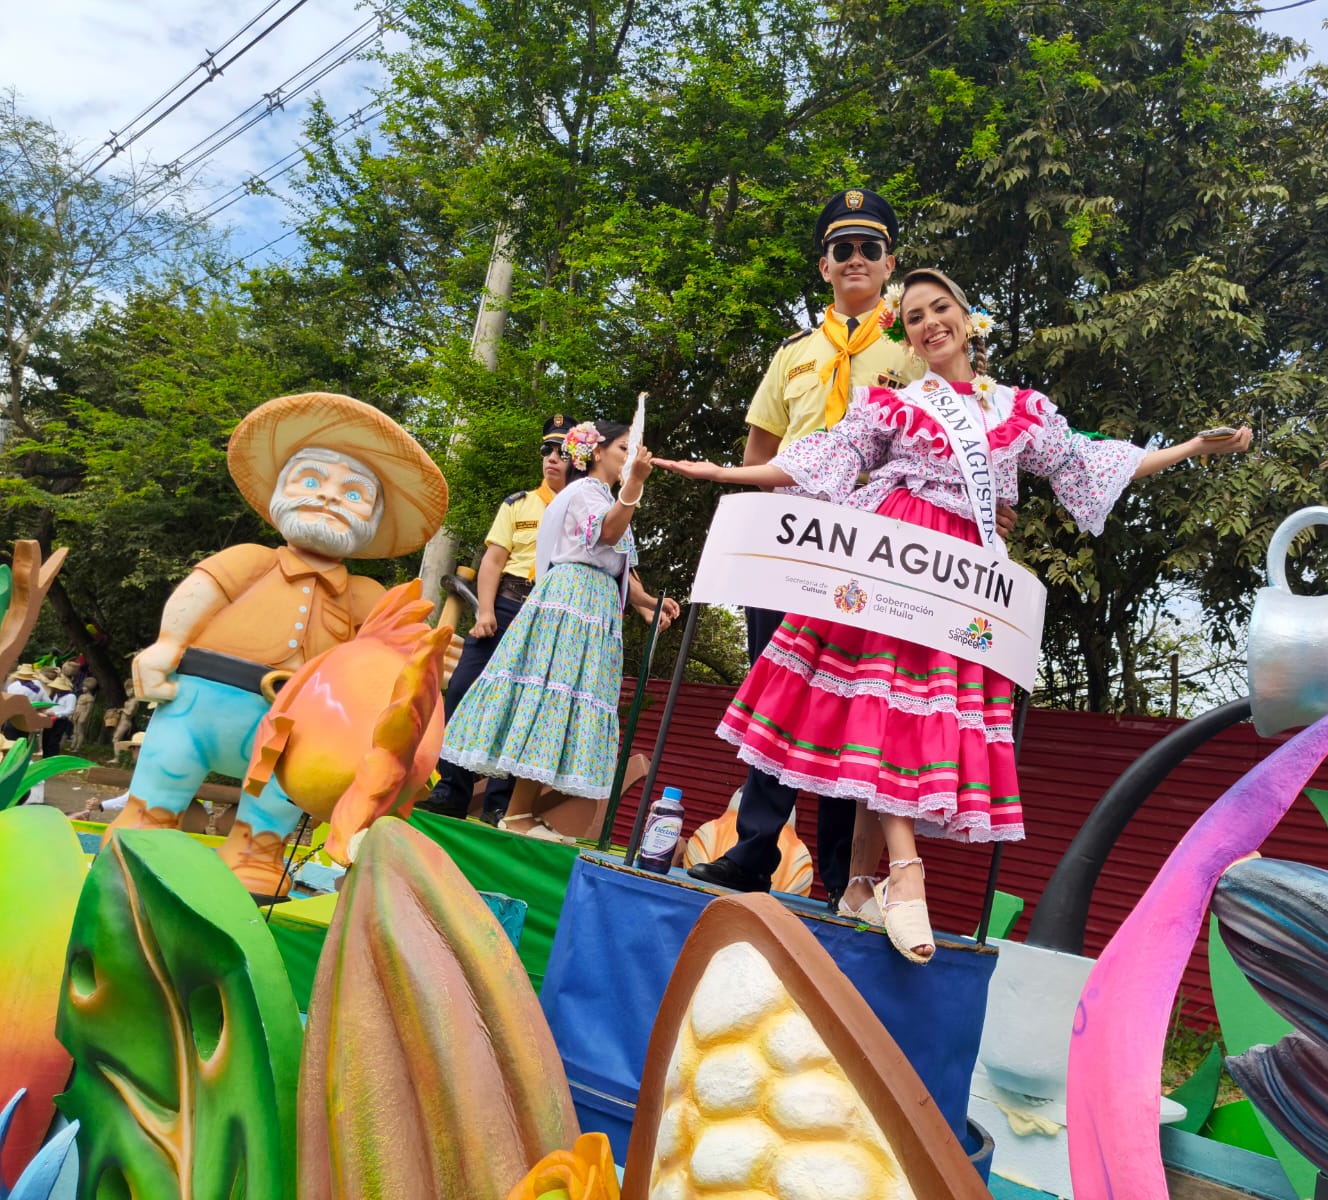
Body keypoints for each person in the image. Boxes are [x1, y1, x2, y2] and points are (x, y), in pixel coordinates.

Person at [660, 267, 1252, 962]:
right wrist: (724, 475)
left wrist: (1190, 449)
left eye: (940, 309)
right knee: (884, 705)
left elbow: (1084, 463)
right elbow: (820, 458)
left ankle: (858, 884)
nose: (929, 323)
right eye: (914, 317)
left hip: (963, 576)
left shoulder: (1020, 410)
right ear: (907, 337)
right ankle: (906, 874)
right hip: (894, 560)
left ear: (970, 321)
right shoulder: (894, 405)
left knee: (911, 714)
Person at [687, 187, 1017, 912]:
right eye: (843, 249)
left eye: (871, 248)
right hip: (792, 542)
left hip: (878, 550)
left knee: (852, 696)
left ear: (890, 264)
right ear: (825, 266)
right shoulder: (793, 354)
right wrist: (746, 529)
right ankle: (752, 850)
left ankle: (843, 873)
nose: (856, 259)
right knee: (781, 688)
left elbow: (965, 440)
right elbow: (761, 447)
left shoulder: (915, 347)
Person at [103, 391, 450, 894]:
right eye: (311, 481)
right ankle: (143, 836)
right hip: (202, 702)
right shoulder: (250, 559)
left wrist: (423, 662)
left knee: (277, 800)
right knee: (168, 769)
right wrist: (168, 644)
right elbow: (198, 595)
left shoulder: (365, 595)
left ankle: (258, 855)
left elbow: (386, 654)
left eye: (354, 493)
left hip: (298, 728)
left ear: (373, 519)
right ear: (280, 491)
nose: (329, 497)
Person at [439, 421, 677, 804]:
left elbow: (615, 565)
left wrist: (648, 603)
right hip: (561, 600)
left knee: (557, 696)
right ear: (596, 451)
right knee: (547, 693)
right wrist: (634, 484)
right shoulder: (581, 493)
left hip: (588, 602)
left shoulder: (602, 497)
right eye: (623, 448)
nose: (630, 456)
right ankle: (487, 802)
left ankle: (512, 808)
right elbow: (605, 535)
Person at [420, 413, 577, 824]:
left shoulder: (584, 511)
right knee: (463, 690)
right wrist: (485, 610)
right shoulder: (517, 504)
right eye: (547, 450)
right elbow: (493, 560)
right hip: (505, 606)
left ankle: (499, 805)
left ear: (578, 459)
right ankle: (450, 790)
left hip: (547, 616)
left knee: (522, 707)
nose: (552, 458)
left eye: (562, 452)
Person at [39, 672, 75, 757]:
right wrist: (47, 712)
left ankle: (52, 758)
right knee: (45, 739)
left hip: (60, 721)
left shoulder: (71, 696)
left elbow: (70, 710)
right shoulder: (57, 695)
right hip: (50, 719)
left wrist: (56, 714)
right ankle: (45, 758)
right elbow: (54, 706)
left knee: (53, 741)